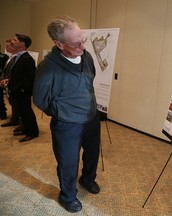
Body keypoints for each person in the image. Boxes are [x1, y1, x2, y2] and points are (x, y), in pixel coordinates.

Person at [33, 16, 101, 213]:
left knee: (92, 154)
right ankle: (68, 196)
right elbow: (40, 98)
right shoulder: (48, 67)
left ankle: (87, 179)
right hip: (67, 124)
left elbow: (90, 80)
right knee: (68, 162)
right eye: (76, 43)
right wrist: (63, 112)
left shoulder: (86, 56)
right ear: (59, 43)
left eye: (83, 40)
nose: (82, 46)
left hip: (91, 118)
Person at [0, 34, 39, 142]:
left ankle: (32, 132)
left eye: (15, 40)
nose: (12, 41)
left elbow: (31, 78)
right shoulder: (19, 56)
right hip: (17, 90)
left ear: (22, 44)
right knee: (23, 112)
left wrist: (22, 89)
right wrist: (10, 81)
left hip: (23, 92)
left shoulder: (27, 58)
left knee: (27, 112)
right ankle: (26, 129)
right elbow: (18, 74)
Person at [0, 40, 22, 126]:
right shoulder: (10, 57)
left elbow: (13, 73)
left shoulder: (16, 58)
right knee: (12, 102)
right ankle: (14, 119)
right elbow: (5, 70)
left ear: (13, 47)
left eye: (8, 46)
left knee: (15, 103)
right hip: (6, 82)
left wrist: (7, 80)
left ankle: (17, 119)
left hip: (12, 83)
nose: (6, 47)